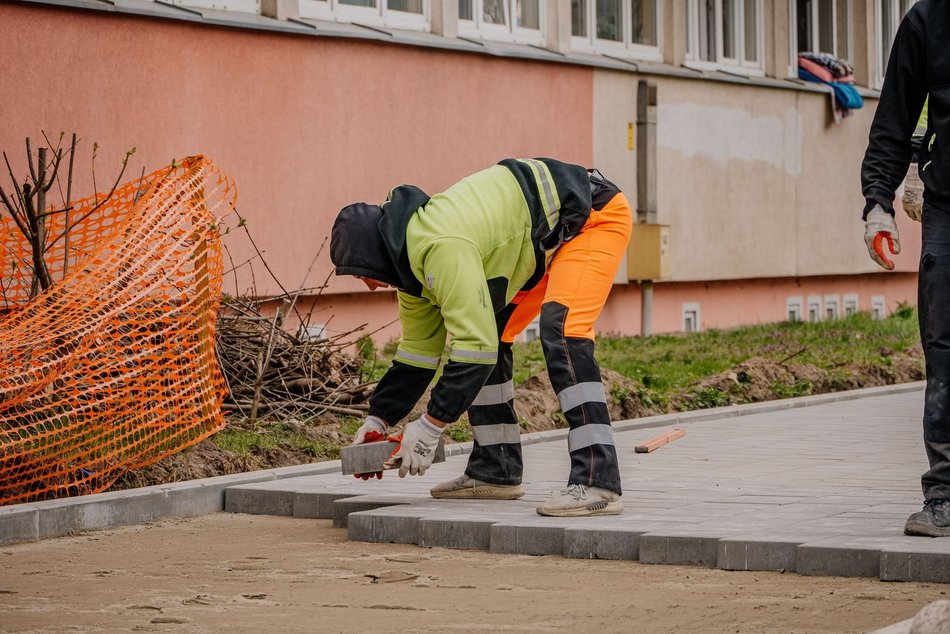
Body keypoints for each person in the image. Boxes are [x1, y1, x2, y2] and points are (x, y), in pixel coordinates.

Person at [329, 158, 632, 517]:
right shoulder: (411, 270)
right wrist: (377, 420)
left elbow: (475, 349)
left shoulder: (440, 246)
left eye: (363, 273)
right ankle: (496, 470)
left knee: (562, 329)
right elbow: (416, 357)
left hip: (592, 216)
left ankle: (599, 482)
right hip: (549, 237)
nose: (370, 284)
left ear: (374, 256)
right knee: (494, 331)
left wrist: (430, 428)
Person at [860, 0, 950, 537]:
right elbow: (894, 119)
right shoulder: (928, 20)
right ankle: (943, 494)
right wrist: (877, 203)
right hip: (947, 206)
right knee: (943, 349)